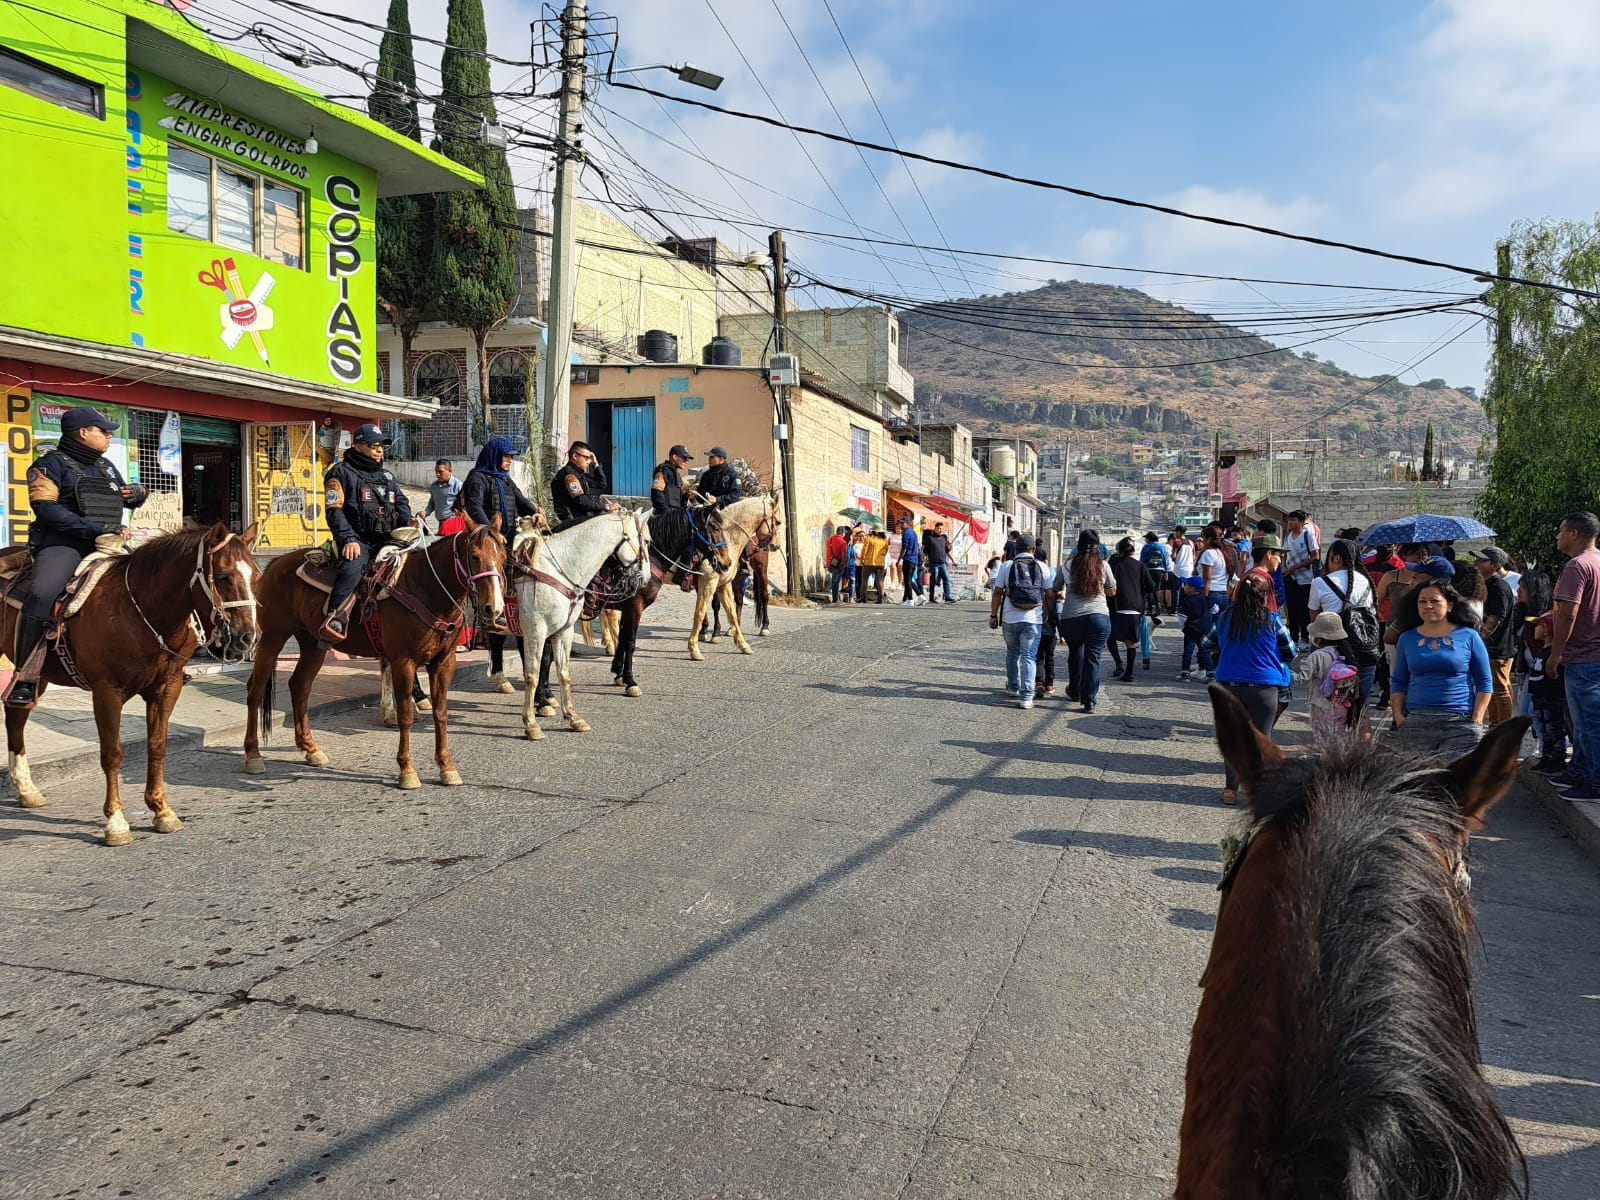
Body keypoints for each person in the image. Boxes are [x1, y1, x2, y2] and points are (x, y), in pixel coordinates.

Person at [7, 406, 149, 706]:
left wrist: (137, 494)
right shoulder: (47, 466)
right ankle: (25, 676)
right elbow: (47, 510)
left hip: (108, 542)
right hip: (64, 544)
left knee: (157, 578)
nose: (109, 435)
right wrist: (93, 530)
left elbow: (119, 497)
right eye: (103, 430)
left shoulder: (107, 467)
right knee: (42, 594)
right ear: (83, 433)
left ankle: (164, 662)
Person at [1202, 573, 1295, 803]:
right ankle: (1261, 792)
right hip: (1264, 689)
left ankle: (1230, 790)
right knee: (1261, 740)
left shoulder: (1225, 618)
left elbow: (1206, 644)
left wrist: (1226, 650)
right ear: (1265, 597)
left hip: (1229, 687)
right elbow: (1291, 651)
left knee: (1233, 738)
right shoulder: (1272, 620)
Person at [318, 422, 414, 643]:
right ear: (358, 445)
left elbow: (401, 503)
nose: (380, 450)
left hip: (387, 540)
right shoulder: (340, 473)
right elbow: (334, 512)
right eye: (374, 445)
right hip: (357, 540)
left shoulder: (388, 477)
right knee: (352, 569)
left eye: (382, 445)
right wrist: (348, 539)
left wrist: (409, 520)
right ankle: (334, 620)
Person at [463, 437, 539, 694]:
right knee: (493, 580)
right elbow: (473, 507)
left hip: (506, 538)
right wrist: (492, 533)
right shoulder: (477, 477)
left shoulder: (505, 479)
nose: (509, 461)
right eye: (506, 456)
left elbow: (520, 499)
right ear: (494, 455)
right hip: (486, 539)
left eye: (512, 457)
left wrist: (535, 510)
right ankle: (486, 616)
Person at [1388, 578, 1493, 759]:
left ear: (1450, 605)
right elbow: (1398, 681)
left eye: (1434, 601)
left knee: (1455, 784)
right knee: (1419, 784)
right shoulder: (1407, 638)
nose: (1428, 606)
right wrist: (1399, 717)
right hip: (1416, 724)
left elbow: (1485, 682)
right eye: (1422, 601)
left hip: (1460, 723)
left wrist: (1477, 719)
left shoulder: (1469, 636)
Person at [1548, 511, 1600, 798]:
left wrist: (1556, 654)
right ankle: (1579, 771)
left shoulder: (1577, 566)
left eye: (1560, 530)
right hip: (1593, 654)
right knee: (1584, 724)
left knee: (1589, 725)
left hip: (1583, 656)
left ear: (1574, 534)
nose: (1557, 536)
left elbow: (1568, 614)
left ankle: (1595, 782)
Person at [1307, 538, 1380, 714]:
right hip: (1364, 648)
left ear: (1337, 558)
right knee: (1359, 707)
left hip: (1331, 648)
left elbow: (1315, 620)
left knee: (1327, 702)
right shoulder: (1365, 581)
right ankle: (1359, 738)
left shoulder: (1320, 582)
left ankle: (1330, 739)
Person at [1056, 529, 1116, 713]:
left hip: (1072, 618)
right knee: (1093, 657)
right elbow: (1112, 591)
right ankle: (1089, 699)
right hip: (1098, 617)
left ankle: (1074, 690)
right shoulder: (1103, 566)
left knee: (1075, 652)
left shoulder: (1067, 566)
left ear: (1078, 546)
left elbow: (1054, 588)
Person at [1518, 570, 1568, 773]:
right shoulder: (1522, 612)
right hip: (1532, 670)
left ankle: (1553, 754)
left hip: (1546, 674)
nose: (1519, 592)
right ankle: (1544, 751)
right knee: (1529, 711)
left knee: (1547, 715)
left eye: (1523, 589)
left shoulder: (1550, 616)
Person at [989, 532, 1047, 708]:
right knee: (1029, 656)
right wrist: (1048, 613)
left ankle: (1013, 687)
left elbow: (997, 592)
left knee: (1012, 653)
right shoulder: (1041, 566)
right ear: (1033, 549)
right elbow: (1050, 593)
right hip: (1033, 618)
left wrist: (993, 615)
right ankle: (1026, 697)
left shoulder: (1007, 566)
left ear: (1016, 548)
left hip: (1010, 617)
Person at [1296, 612, 1360, 749]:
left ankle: (1328, 766)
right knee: (1339, 740)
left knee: (1324, 742)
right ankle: (1341, 764)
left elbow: (1301, 677)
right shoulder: (1345, 653)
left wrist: (1283, 672)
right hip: (1342, 705)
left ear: (1318, 638)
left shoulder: (1317, 656)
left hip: (1321, 706)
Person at [1472, 546, 1518, 726]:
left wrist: (1481, 636)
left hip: (1498, 647)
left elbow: (1496, 616)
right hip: (1489, 647)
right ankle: (1495, 725)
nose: (1476, 563)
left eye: (1482, 560)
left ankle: (1503, 728)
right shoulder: (1486, 584)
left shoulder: (1498, 585)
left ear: (1495, 565)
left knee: (1499, 689)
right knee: (1490, 687)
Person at [1108, 537, 1157, 683]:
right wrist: (1140, 592)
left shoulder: (1113, 563)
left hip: (1117, 606)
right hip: (1136, 607)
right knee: (1131, 642)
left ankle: (1118, 663)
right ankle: (1129, 673)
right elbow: (1151, 586)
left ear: (1119, 550)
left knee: (1110, 638)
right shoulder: (1140, 565)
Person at [550, 442, 617, 524]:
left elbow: (601, 484)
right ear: (575, 456)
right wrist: (605, 507)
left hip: (579, 517)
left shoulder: (579, 474)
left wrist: (595, 464)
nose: (589, 461)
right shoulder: (569, 475)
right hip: (572, 521)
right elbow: (581, 501)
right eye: (586, 458)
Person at [1282, 509, 1320, 643]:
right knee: (1291, 610)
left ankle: (1304, 637)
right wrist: (1285, 568)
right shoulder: (1287, 536)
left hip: (1305, 579)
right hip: (1290, 578)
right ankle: (1293, 638)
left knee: (1303, 609)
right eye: (1290, 519)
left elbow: (1315, 556)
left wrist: (1295, 568)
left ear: (1302, 522)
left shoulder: (1307, 536)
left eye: (1294, 520)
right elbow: (1284, 554)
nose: (1291, 522)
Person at [1176, 575, 1215, 682]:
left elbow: (1182, 617)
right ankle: (1211, 673)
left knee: (1188, 651)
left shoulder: (1186, 601)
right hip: (1204, 629)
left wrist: (1183, 628)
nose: (1184, 586)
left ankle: (1185, 673)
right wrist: (1207, 617)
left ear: (1192, 588)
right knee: (1204, 651)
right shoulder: (1205, 599)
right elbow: (1215, 609)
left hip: (1191, 629)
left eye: (1186, 585)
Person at [1033, 544, 1057, 698]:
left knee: (1038, 655)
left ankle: (1038, 681)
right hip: (1050, 621)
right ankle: (1049, 684)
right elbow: (1053, 596)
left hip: (1034, 619)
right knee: (1050, 655)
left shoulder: (1029, 569)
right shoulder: (1051, 571)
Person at [651, 444, 693, 515]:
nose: (686, 461)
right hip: (664, 516)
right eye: (684, 458)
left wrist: (686, 496)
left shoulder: (677, 474)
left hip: (675, 515)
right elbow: (656, 493)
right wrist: (666, 512)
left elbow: (675, 499)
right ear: (675, 457)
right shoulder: (662, 471)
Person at [1139, 532, 1171, 623]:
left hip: (1148, 569)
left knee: (1149, 589)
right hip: (1159, 570)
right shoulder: (1161, 547)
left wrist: (1142, 571)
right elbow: (1165, 559)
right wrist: (1166, 572)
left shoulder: (1146, 547)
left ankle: (1149, 609)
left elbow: (1142, 560)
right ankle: (1158, 607)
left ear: (1148, 539)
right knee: (1157, 588)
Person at [422, 458, 462, 531]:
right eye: (436, 471)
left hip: (454, 523)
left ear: (450, 471)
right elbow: (432, 502)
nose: (437, 474)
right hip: (441, 524)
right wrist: (426, 512)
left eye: (440, 471)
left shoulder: (458, 486)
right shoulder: (434, 486)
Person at [924, 521, 954, 603]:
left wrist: (950, 548)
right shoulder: (930, 538)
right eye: (938, 528)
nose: (940, 530)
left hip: (942, 563)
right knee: (934, 579)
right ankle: (931, 598)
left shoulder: (944, 538)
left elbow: (947, 550)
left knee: (946, 579)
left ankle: (947, 597)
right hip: (933, 563)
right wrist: (924, 561)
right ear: (935, 529)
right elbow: (925, 551)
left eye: (941, 528)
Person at [899, 516, 925, 605]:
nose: (900, 525)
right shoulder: (913, 532)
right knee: (908, 580)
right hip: (914, 559)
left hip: (908, 558)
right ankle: (905, 599)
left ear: (907, 523)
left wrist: (899, 559)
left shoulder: (906, 533)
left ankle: (912, 598)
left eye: (902, 523)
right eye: (900, 523)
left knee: (908, 580)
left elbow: (904, 548)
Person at [861, 530, 888, 603]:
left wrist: (862, 560)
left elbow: (864, 549)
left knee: (864, 580)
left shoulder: (869, 537)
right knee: (880, 581)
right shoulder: (884, 539)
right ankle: (880, 599)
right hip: (880, 563)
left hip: (869, 562)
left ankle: (863, 598)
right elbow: (886, 551)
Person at [826, 525, 849, 604]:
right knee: (836, 581)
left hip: (830, 563)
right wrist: (844, 563)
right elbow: (844, 554)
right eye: (844, 533)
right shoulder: (843, 542)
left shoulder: (829, 540)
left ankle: (835, 596)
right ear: (842, 533)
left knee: (834, 580)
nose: (845, 534)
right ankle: (835, 598)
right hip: (838, 564)